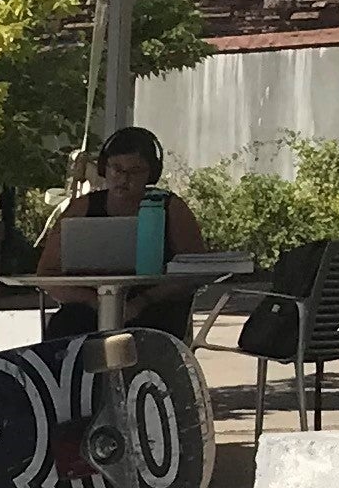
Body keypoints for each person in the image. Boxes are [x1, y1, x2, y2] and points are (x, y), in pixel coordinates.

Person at [33, 122, 211, 336]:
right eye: (116, 168)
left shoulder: (171, 208)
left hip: (156, 309)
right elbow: (47, 275)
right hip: (88, 309)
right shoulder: (82, 207)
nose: (124, 178)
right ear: (103, 169)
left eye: (135, 171)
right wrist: (92, 301)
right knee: (63, 330)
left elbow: (195, 272)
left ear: (151, 174)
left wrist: (143, 301)